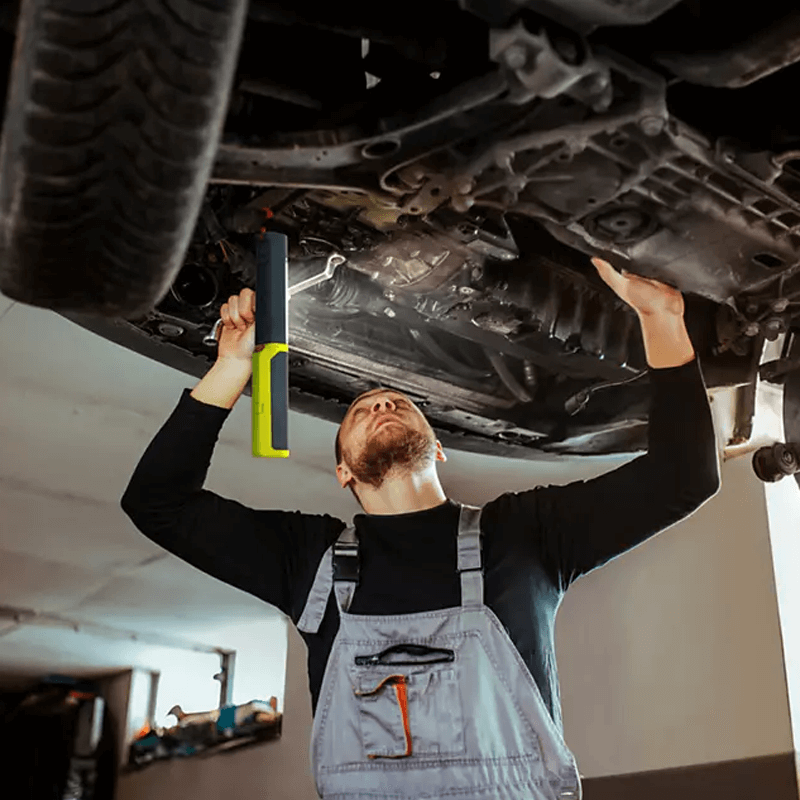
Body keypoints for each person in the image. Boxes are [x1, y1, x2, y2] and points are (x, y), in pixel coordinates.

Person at [120, 256, 720, 800]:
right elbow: (156, 504)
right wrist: (231, 368)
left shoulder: (527, 534)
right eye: (361, 410)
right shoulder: (309, 561)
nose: (382, 404)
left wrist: (661, 320)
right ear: (342, 471)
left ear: (438, 448)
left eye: (399, 403)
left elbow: (683, 477)